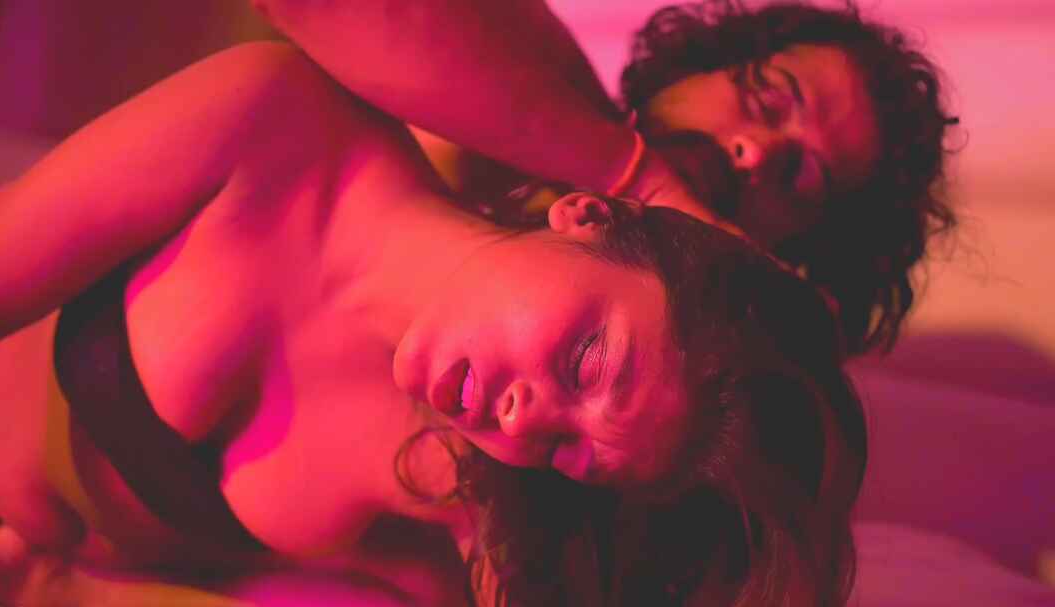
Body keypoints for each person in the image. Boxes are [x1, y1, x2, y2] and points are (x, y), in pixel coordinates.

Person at [0, 42, 866, 607]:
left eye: (574, 451)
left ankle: (40, 584)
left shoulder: (474, 461)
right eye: (584, 360)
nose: (527, 417)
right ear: (588, 216)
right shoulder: (277, 121)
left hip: (31, 554)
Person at [253, 0, 957, 355]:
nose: (755, 152)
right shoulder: (531, 66)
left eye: (802, 178)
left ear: (789, 254)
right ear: (702, 66)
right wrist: (636, 174)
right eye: (769, 99)